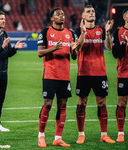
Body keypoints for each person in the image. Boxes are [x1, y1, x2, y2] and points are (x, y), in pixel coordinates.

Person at [37, 7, 85, 148]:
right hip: (50, 74)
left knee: (62, 105)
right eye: (58, 14)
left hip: (64, 76)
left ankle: (58, 138)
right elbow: (40, 53)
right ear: (52, 18)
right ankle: (41, 136)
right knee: (47, 104)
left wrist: (74, 49)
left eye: (62, 14)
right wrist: (54, 48)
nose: (61, 16)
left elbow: (74, 57)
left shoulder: (70, 33)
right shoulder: (45, 32)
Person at [75, 5, 115, 144]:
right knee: (82, 103)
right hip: (84, 73)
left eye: (93, 11)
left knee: (102, 103)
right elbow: (77, 48)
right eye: (88, 12)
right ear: (83, 16)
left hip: (100, 73)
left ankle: (104, 134)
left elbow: (109, 47)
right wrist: (83, 33)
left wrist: (108, 33)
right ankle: (81, 134)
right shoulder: (77, 31)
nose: (91, 13)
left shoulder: (101, 30)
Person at [112, 7, 128, 142]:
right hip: (124, 74)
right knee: (122, 103)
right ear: (124, 17)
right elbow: (115, 53)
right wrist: (124, 44)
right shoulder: (118, 32)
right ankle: (120, 132)